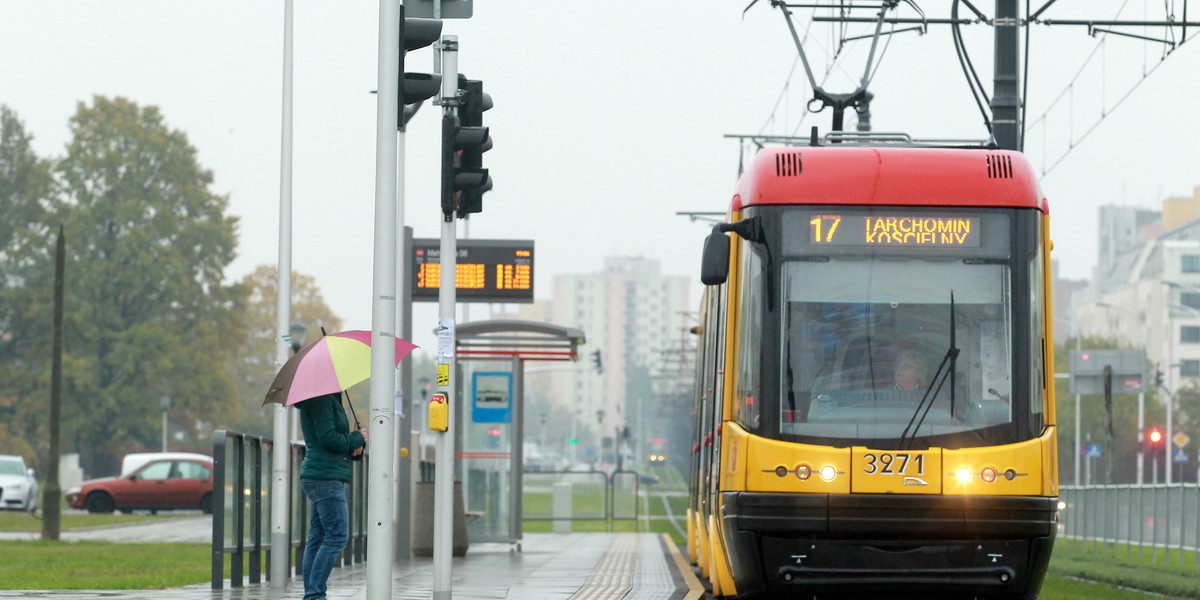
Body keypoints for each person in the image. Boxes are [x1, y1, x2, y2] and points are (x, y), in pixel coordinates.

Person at [298, 392, 367, 600]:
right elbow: (328, 439)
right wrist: (357, 437)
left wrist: (355, 446)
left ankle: (313, 594)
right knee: (337, 536)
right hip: (325, 478)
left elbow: (334, 441)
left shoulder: (327, 398)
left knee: (317, 539)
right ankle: (315, 595)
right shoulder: (321, 399)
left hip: (322, 475)